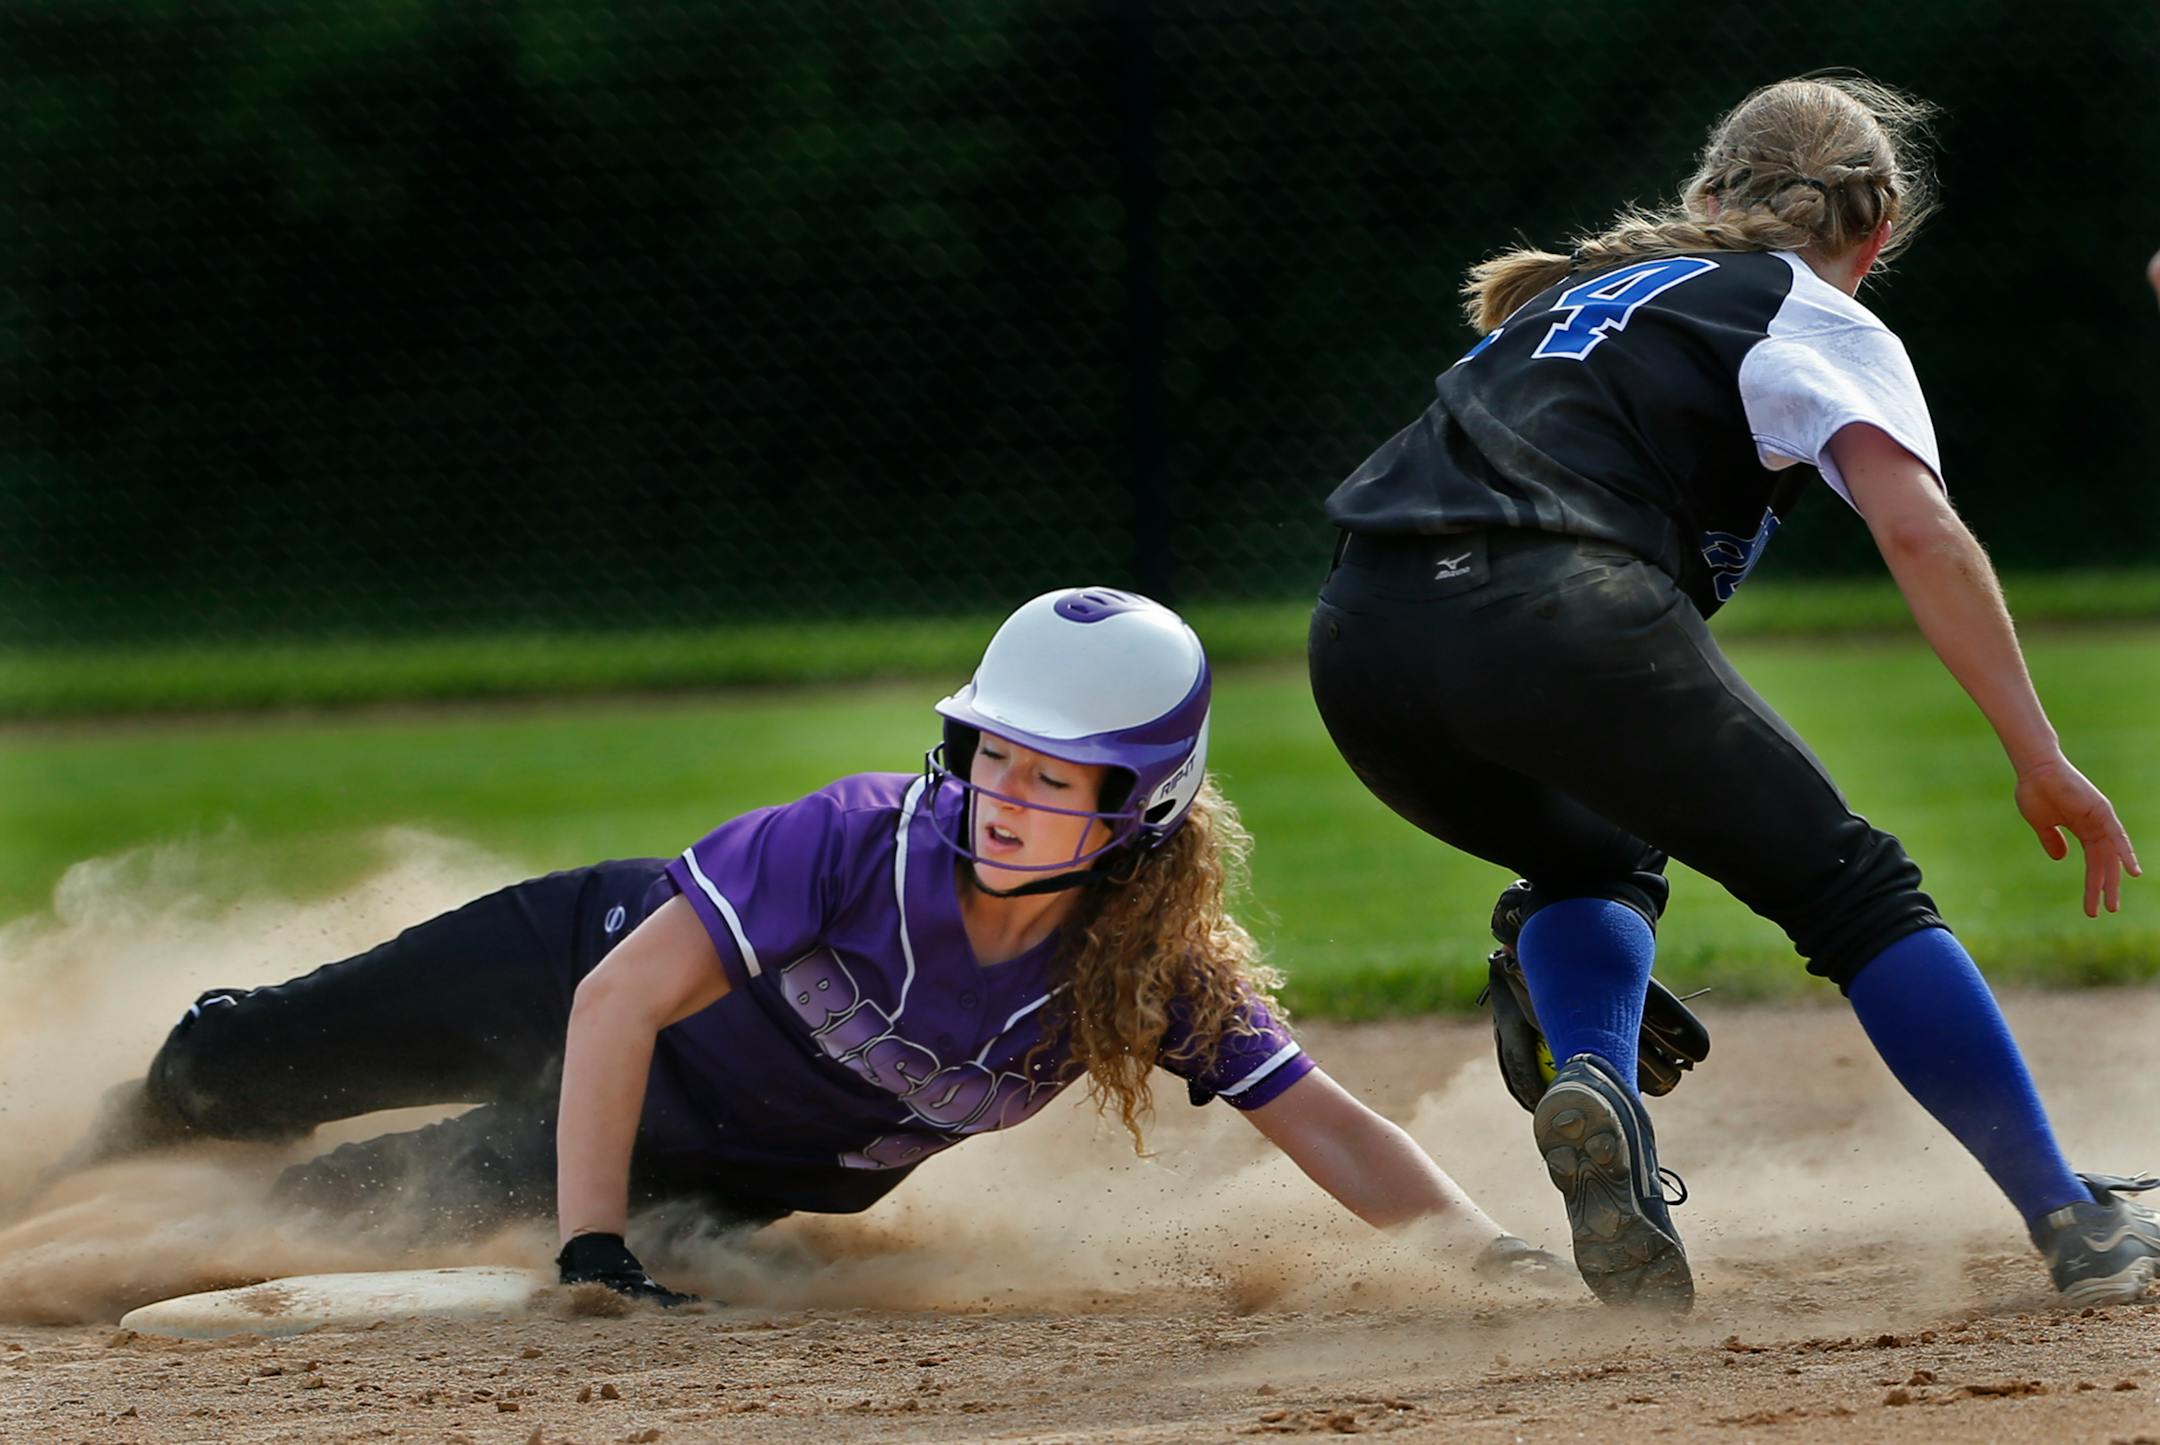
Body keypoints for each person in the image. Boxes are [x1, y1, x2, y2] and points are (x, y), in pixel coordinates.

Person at [52, 587, 1558, 1302]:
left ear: (1143, 806)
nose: (1008, 795)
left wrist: (1480, 1254)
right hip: (574, 965)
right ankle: (86, 1144)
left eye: (1059, 773)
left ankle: (62, 1256)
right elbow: (615, 1004)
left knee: (340, 1205)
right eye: (993, 754)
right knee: (233, 1064)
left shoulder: (1150, 970)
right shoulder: (855, 840)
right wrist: (588, 1247)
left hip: (710, 1166)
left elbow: (1329, 1127)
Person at [1307, 75, 2154, 1313]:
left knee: (1598, 855)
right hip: (1560, 609)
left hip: (1361, 643)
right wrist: (2039, 752)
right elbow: (1922, 534)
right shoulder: (1812, 313)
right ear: (1879, 230)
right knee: (1856, 892)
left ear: (1709, 193)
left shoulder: (1567, 298)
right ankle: (2075, 1221)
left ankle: (1591, 1078)